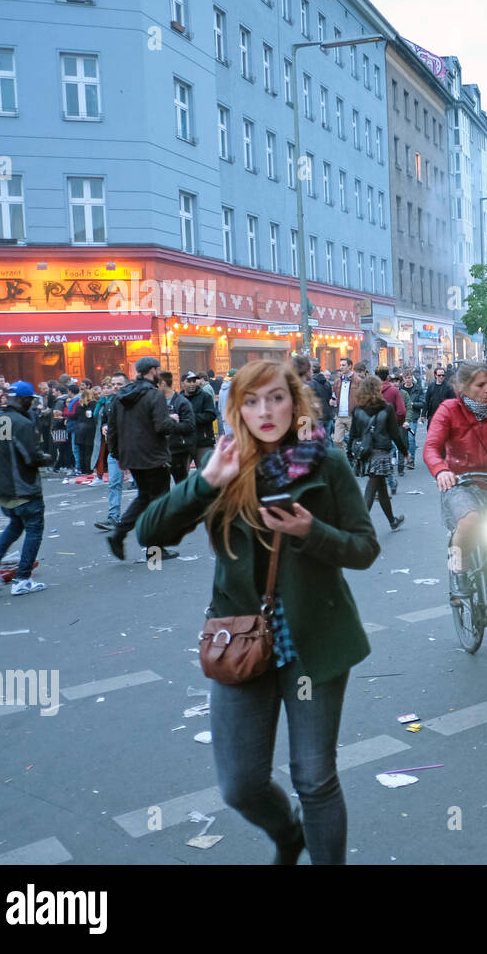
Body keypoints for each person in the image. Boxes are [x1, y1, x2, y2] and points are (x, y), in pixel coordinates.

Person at [136, 360, 379, 864]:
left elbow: (364, 548)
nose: (264, 411)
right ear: (236, 408)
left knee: (314, 778)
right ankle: (290, 835)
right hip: (240, 640)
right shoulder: (223, 464)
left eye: (275, 398)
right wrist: (205, 482)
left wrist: (310, 532)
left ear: (296, 402)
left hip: (315, 641)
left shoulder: (325, 463)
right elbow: (150, 532)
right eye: (251, 401)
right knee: (240, 785)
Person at [424, 363, 487, 597]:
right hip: (460, 481)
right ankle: (458, 569)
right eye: (480, 385)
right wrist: (441, 470)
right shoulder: (448, 409)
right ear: (463, 387)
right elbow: (431, 447)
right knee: (470, 522)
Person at [0, 381, 53, 595]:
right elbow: (30, 457)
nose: (31, 404)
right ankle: (23, 578)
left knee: (16, 524)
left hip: (1, 487)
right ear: (24, 399)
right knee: (34, 529)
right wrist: (45, 458)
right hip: (23, 487)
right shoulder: (21, 423)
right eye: (30, 400)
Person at [105, 356, 177, 560]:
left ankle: (119, 533)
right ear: (152, 370)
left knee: (145, 497)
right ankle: (155, 550)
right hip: (153, 455)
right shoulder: (154, 395)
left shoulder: (121, 396)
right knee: (158, 502)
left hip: (132, 456)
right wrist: (173, 421)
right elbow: (161, 426)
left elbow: (112, 428)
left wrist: (117, 454)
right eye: (158, 369)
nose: (159, 373)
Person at [349, 376, 406, 531]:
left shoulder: (357, 409)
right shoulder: (386, 408)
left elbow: (353, 434)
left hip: (365, 453)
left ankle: (392, 521)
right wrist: (405, 452)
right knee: (372, 487)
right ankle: (360, 525)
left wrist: (350, 454)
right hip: (380, 452)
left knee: (381, 488)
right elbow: (395, 434)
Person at [95, 371, 130, 532]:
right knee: (114, 483)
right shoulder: (110, 403)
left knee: (144, 487)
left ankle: (145, 517)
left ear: (127, 385)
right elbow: (105, 421)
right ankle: (113, 517)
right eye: (113, 384)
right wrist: (104, 427)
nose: (115, 387)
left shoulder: (133, 402)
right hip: (115, 450)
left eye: (119, 384)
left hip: (135, 451)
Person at [159, 371, 197, 484]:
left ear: (163, 384)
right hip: (161, 450)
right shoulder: (157, 402)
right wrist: (168, 419)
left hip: (178, 450)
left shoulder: (181, 402)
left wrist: (170, 423)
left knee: (181, 484)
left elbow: (189, 425)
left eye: (156, 384)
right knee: (162, 486)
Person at [183, 371, 219, 469]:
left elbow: (211, 415)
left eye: (194, 381)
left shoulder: (205, 396)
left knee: (206, 473)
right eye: (189, 381)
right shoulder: (179, 399)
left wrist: (191, 418)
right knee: (182, 476)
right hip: (184, 443)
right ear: (183, 383)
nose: (192, 384)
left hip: (203, 441)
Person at [398, 369, 424, 472]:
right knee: (401, 439)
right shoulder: (399, 389)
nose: (407, 380)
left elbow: (423, 402)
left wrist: (412, 404)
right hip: (400, 418)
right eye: (405, 378)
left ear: (411, 377)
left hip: (413, 417)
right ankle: (402, 458)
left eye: (409, 377)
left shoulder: (417, 389)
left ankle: (411, 460)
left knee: (411, 438)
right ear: (403, 379)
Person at [329, 357, 356, 448]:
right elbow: (334, 395)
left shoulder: (358, 381)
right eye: (340, 365)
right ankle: (344, 460)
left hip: (351, 415)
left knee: (354, 440)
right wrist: (332, 401)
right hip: (339, 415)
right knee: (337, 441)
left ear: (350, 366)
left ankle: (353, 458)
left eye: (343, 365)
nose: (341, 367)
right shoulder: (337, 381)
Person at [74, 387, 100, 477]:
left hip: (79, 430)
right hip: (90, 430)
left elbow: (75, 416)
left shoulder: (79, 406)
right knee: (89, 451)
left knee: (81, 451)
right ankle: (89, 470)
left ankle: (83, 470)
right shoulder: (94, 405)